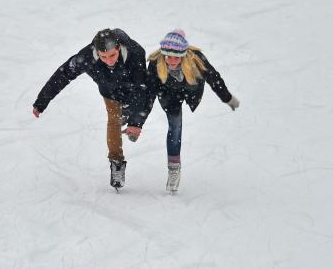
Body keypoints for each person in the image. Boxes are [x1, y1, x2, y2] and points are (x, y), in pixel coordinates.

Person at [32, 28, 146, 191]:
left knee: (131, 108)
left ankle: (126, 113)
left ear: (118, 48)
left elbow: (141, 89)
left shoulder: (135, 54)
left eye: (112, 55)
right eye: (103, 56)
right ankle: (116, 163)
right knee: (113, 120)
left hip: (131, 88)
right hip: (108, 90)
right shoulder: (85, 57)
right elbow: (62, 75)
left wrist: (136, 122)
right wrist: (42, 101)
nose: (108, 60)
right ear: (96, 52)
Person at [141, 29, 240, 193]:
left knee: (176, 125)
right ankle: (174, 169)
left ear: (183, 55)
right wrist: (138, 122)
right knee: (175, 126)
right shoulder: (155, 63)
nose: (171, 61)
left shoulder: (196, 59)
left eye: (176, 57)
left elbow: (214, 78)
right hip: (168, 95)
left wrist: (227, 98)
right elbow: (149, 94)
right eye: (168, 56)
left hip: (190, 91)